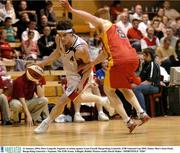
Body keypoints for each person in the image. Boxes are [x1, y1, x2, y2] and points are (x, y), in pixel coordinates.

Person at [59, 0, 150, 133]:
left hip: (119, 60)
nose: (91, 25)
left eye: (92, 22)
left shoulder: (104, 23)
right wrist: (90, 64)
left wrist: (71, 9)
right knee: (124, 88)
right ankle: (141, 113)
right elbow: (104, 54)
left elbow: (88, 17)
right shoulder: (113, 30)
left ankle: (128, 121)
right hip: (132, 59)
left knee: (108, 91)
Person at [34, 19, 108, 134]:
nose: (62, 38)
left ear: (71, 34)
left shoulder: (81, 48)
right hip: (70, 73)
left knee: (62, 101)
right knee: (78, 98)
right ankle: (103, 101)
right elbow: (58, 53)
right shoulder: (58, 39)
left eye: (64, 35)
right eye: (59, 35)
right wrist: (43, 63)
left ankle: (46, 123)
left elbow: (89, 65)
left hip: (81, 74)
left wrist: (81, 82)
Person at [133, 48, 161, 112]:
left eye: (144, 55)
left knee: (137, 89)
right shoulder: (144, 64)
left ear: (148, 55)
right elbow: (141, 78)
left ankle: (143, 112)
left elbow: (149, 81)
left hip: (154, 87)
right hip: (146, 85)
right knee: (130, 88)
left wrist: (137, 85)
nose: (143, 57)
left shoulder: (153, 64)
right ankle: (131, 112)